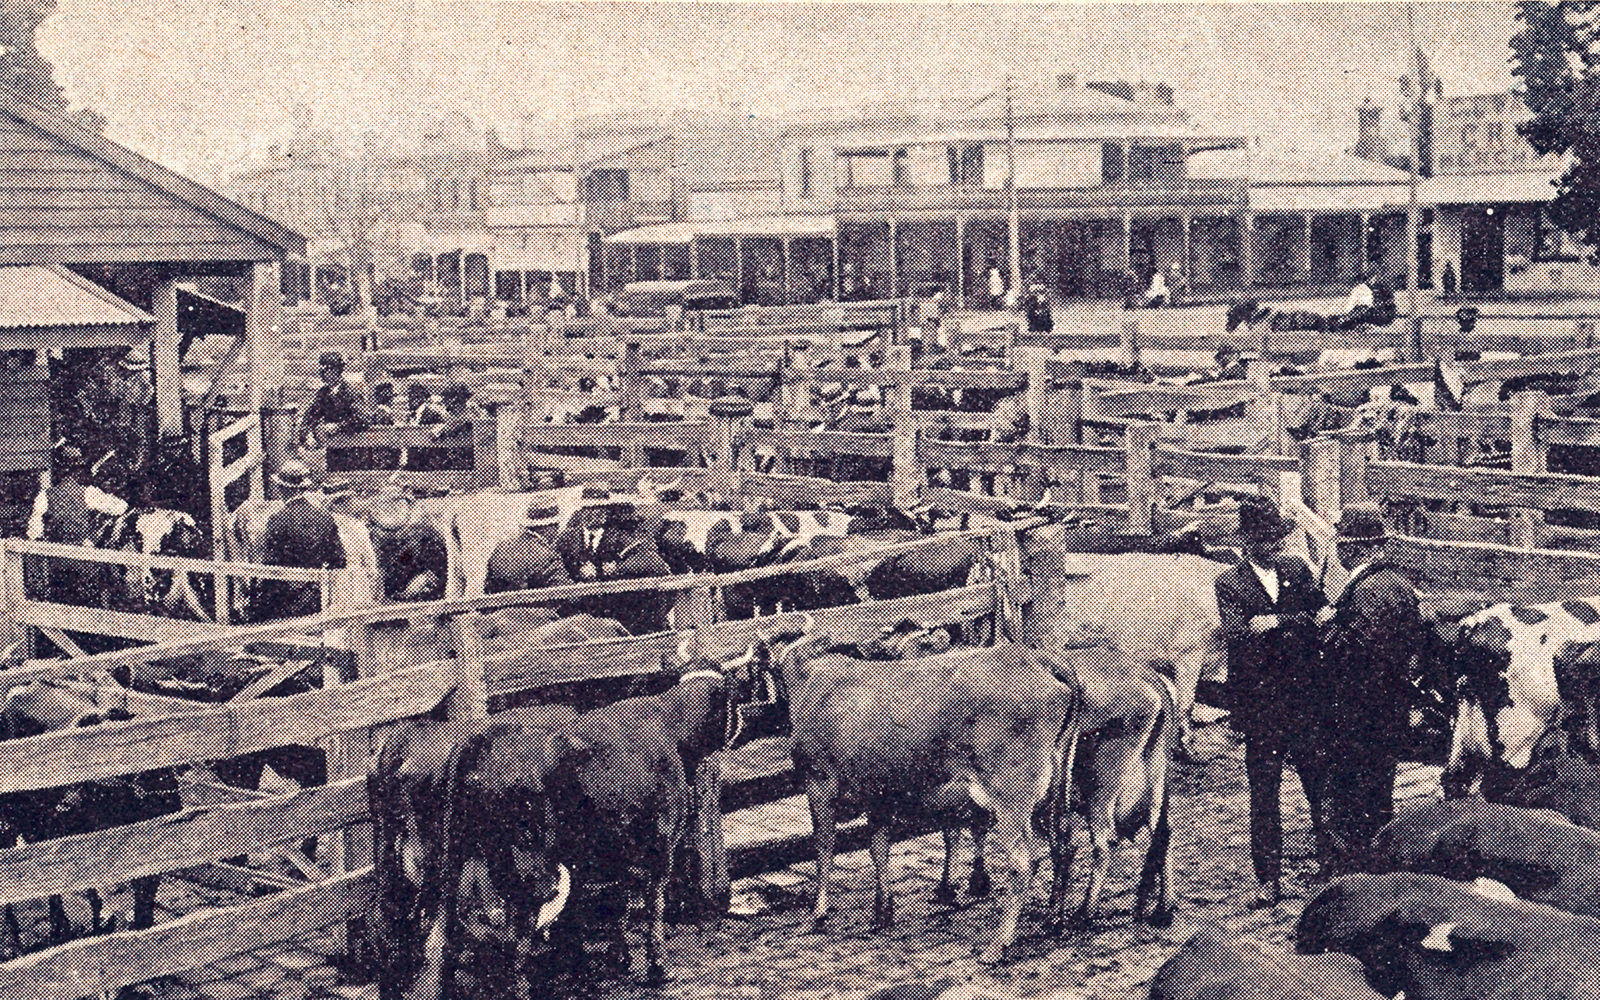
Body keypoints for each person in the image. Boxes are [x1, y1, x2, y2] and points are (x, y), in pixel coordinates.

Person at [1214, 499, 1328, 907]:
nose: (1274, 545)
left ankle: (1328, 863)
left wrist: (1279, 622)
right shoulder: (1230, 583)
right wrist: (1293, 626)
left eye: (1277, 537)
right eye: (1264, 539)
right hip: (1261, 706)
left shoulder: (1296, 570)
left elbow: (1322, 616)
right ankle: (1269, 878)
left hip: (1303, 699)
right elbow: (1238, 635)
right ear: (1246, 542)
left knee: (1317, 783)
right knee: (1265, 793)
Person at [1314, 504, 1427, 875]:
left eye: (1341, 544)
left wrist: (1326, 627)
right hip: (1390, 706)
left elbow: (1354, 651)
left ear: (1352, 548)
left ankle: (1350, 872)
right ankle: (1379, 863)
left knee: (1345, 794)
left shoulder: (1366, 590)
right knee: (1379, 790)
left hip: (1355, 710)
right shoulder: (1402, 586)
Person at [254, 460, 346, 621]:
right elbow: (339, 561)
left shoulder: (277, 520)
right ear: (304, 488)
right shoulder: (325, 517)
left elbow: (270, 564)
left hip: (283, 601)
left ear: (282, 489)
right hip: (315, 599)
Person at [365, 486, 449, 603]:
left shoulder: (426, 533)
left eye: (395, 503)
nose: (391, 509)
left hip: (423, 599)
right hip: (388, 598)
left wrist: (425, 578)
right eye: (385, 504)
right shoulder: (372, 534)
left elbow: (439, 568)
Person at [484, 500, 573, 596]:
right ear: (550, 528)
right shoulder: (548, 557)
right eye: (557, 526)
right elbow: (565, 593)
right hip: (535, 610)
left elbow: (488, 590)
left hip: (501, 610)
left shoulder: (501, 549)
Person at [300, 352, 367, 450]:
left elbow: (362, 419)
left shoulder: (350, 393)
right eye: (321, 371)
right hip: (333, 450)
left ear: (336, 371)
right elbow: (311, 415)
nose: (322, 375)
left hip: (352, 450)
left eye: (326, 370)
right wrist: (306, 434)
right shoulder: (324, 393)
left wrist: (338, 426)